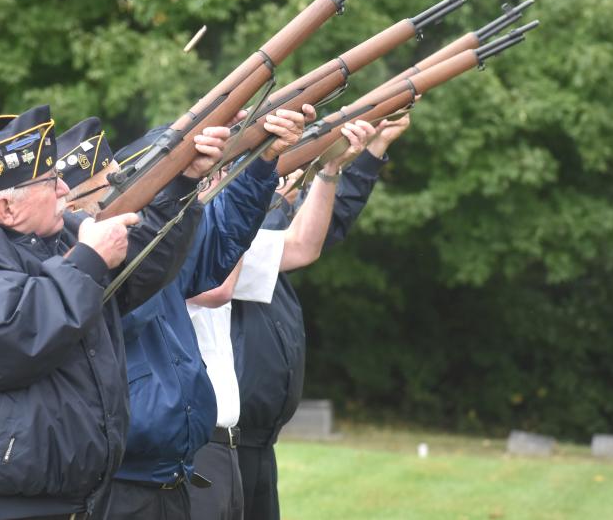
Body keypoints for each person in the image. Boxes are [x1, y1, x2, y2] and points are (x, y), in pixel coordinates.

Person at [0, 104, 230, 520]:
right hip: (0, 506)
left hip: (70, 500)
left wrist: (184, 182)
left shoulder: (44, 235)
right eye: (50, 182)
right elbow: (15, 331)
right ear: (6, 208)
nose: (64, 192)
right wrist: (90, 259)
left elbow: (138, 270)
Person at [106, 108, 309, 520]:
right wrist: (196, 189)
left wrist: (262, 163)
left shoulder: (168, 242)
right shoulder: (111, 254)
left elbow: (223, 243)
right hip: (138, 468)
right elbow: (218, 285)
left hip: (188, 457)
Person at [185, 118, 381, 520]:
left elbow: (304, 246)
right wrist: (247, 196)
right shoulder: (182, 235)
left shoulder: (215, 231)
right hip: (194, 444)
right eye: (224, 169)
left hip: (233, 442)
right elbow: (215, 285)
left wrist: (329, 169)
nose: (225, 176)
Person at [230, 114, 411, 520]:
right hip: (227, 442)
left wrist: (368, 152)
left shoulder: (262, 229)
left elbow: (322, 227)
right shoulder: (226, 233)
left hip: (259, 440)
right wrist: (313, 176)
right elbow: (296, 238)